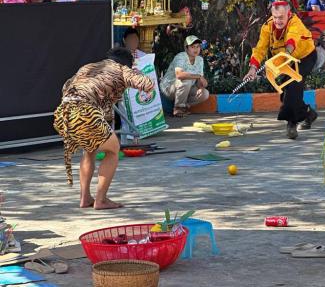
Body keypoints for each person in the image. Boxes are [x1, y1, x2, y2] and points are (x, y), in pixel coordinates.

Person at [53, 47, 154, 210]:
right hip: (84, 110)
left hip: (63, 112)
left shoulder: (88, 68)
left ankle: (85, 197)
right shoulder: (122, 69)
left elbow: (66, 86)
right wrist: (137, 73)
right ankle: (101, 200)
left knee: (90, 149)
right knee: (113, 149)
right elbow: (147, 85)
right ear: (128, 64)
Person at [243, 1, 317, 139]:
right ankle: (308, 113)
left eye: (281, 17)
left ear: (288, 14)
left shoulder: (295, 23)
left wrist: (287, 53)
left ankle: (291, 123)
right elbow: (260, 48)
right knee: (285, 91)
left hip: (305, 57)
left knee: (293, 85)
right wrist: (253, 68)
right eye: (275, 17)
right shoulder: (267, 26)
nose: (277, 21)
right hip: (285, 59)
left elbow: (291, 40)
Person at [160, 35, 209, 117]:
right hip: (168, 88)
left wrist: (201, 87)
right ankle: (178, 108)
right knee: (186, 80)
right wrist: (198, 76)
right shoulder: (181, 56)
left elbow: (199, 81)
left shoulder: (200, 60)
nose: (196, 49)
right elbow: (179, 75)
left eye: (198, 47)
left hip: (185, 88)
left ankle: (184, 105)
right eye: (193, 47)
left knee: (205, 94)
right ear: (186, 48)